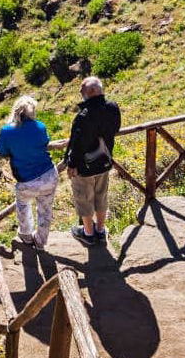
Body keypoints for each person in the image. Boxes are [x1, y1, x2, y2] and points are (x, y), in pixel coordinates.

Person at [65, 77, 121, 245]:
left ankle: (88, 234)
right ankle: (101, 230)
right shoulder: (112, 108)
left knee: (84, 198)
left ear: (89, 93)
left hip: (85, 166)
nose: (81, 95)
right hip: (104, 161)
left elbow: (77, 144)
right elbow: (115, 128)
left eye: (82, 92)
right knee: (101, 197)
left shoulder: (84, 115)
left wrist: (71, 164)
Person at [0, 96, 58, 250]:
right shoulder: (40, 127)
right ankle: (40, 241)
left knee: (23, 205)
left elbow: (2, 151)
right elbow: (45, 142)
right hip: (49, 174)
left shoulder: (6, 130)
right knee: (45, 210)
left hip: (26, 179)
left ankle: (26, 235)